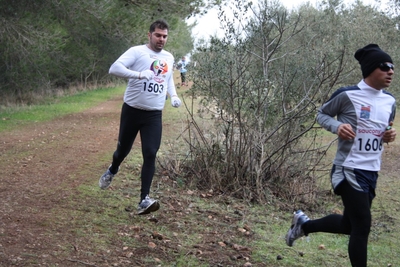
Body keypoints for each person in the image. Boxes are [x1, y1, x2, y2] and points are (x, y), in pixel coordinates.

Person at [285, 44, 397, 267]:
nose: (391, 71)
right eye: (385, 66)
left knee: (350, 225)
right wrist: (337, 126)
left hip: (372, 169)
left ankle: (303, 226)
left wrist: (388, 135)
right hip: (348, 167)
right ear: (371, 69)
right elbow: (322, 114)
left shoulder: (390, 101)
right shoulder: (347, 95)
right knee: (363, 225)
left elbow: (384, 128)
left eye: (393, 67)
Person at [98, 19, 182, 215]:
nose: (161, 39)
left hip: (154, 114)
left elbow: (168, 79)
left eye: (164, 36)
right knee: (122, 151)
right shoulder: (137, 52)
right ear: (149, 35)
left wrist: (174, 95)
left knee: (151, 153)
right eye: (158, 35)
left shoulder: (169, 57)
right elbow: (114, 68)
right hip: (132, 110)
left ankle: (144, 200)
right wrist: (138, 75)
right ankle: (113, 169)